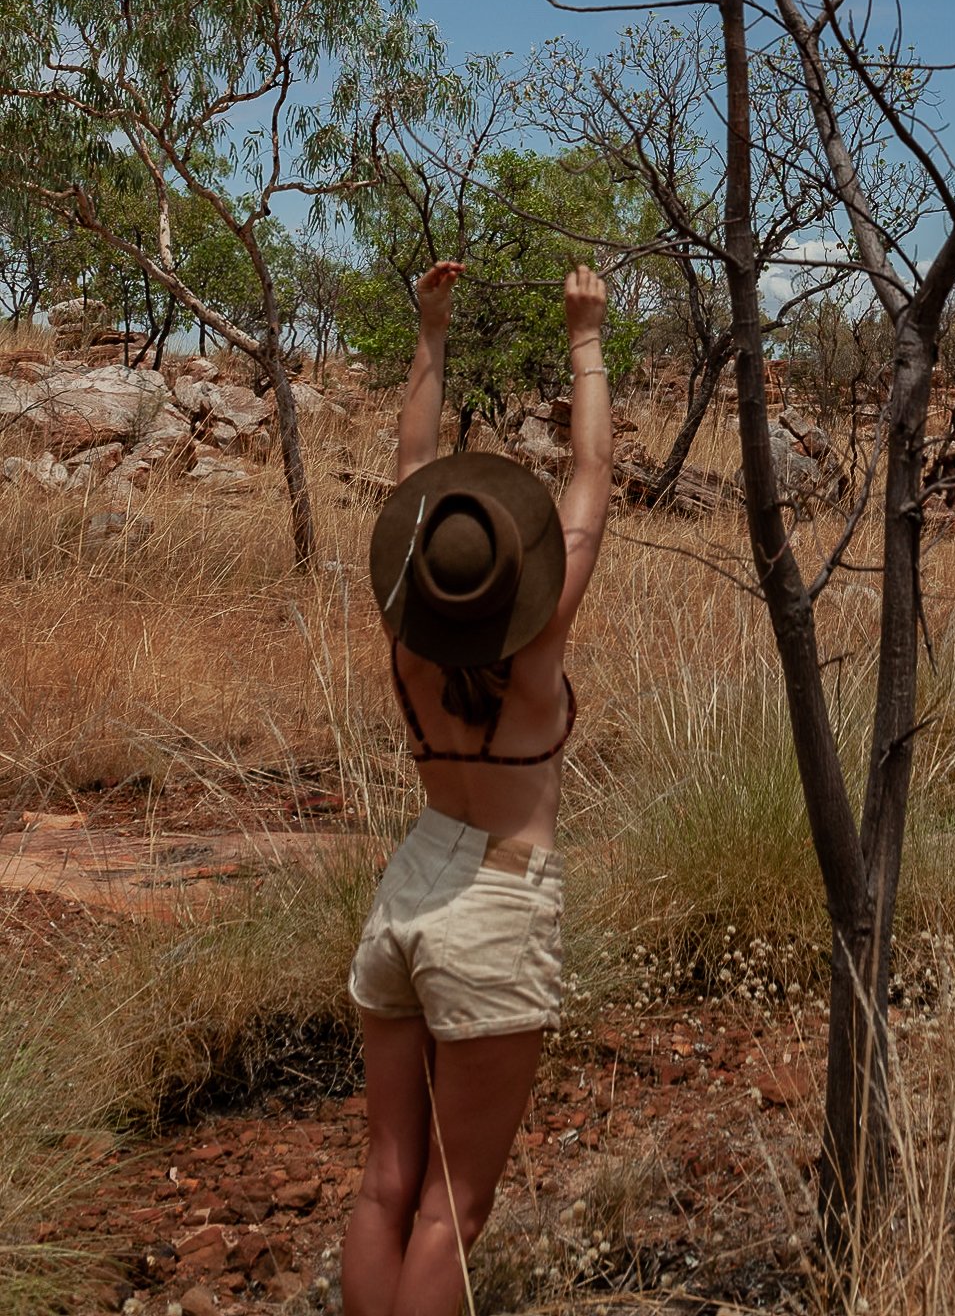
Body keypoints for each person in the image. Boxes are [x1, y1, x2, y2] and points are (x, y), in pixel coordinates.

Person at [341, 259, 612, 1316]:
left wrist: (431, 331)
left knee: (385, 1185)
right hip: (497, 898)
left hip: (411, 881)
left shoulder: (406, 633)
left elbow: (411, 470)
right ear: (515, 577)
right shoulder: (538, 649)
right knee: (457, 1204)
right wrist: (584, 339)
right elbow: (590, 480)